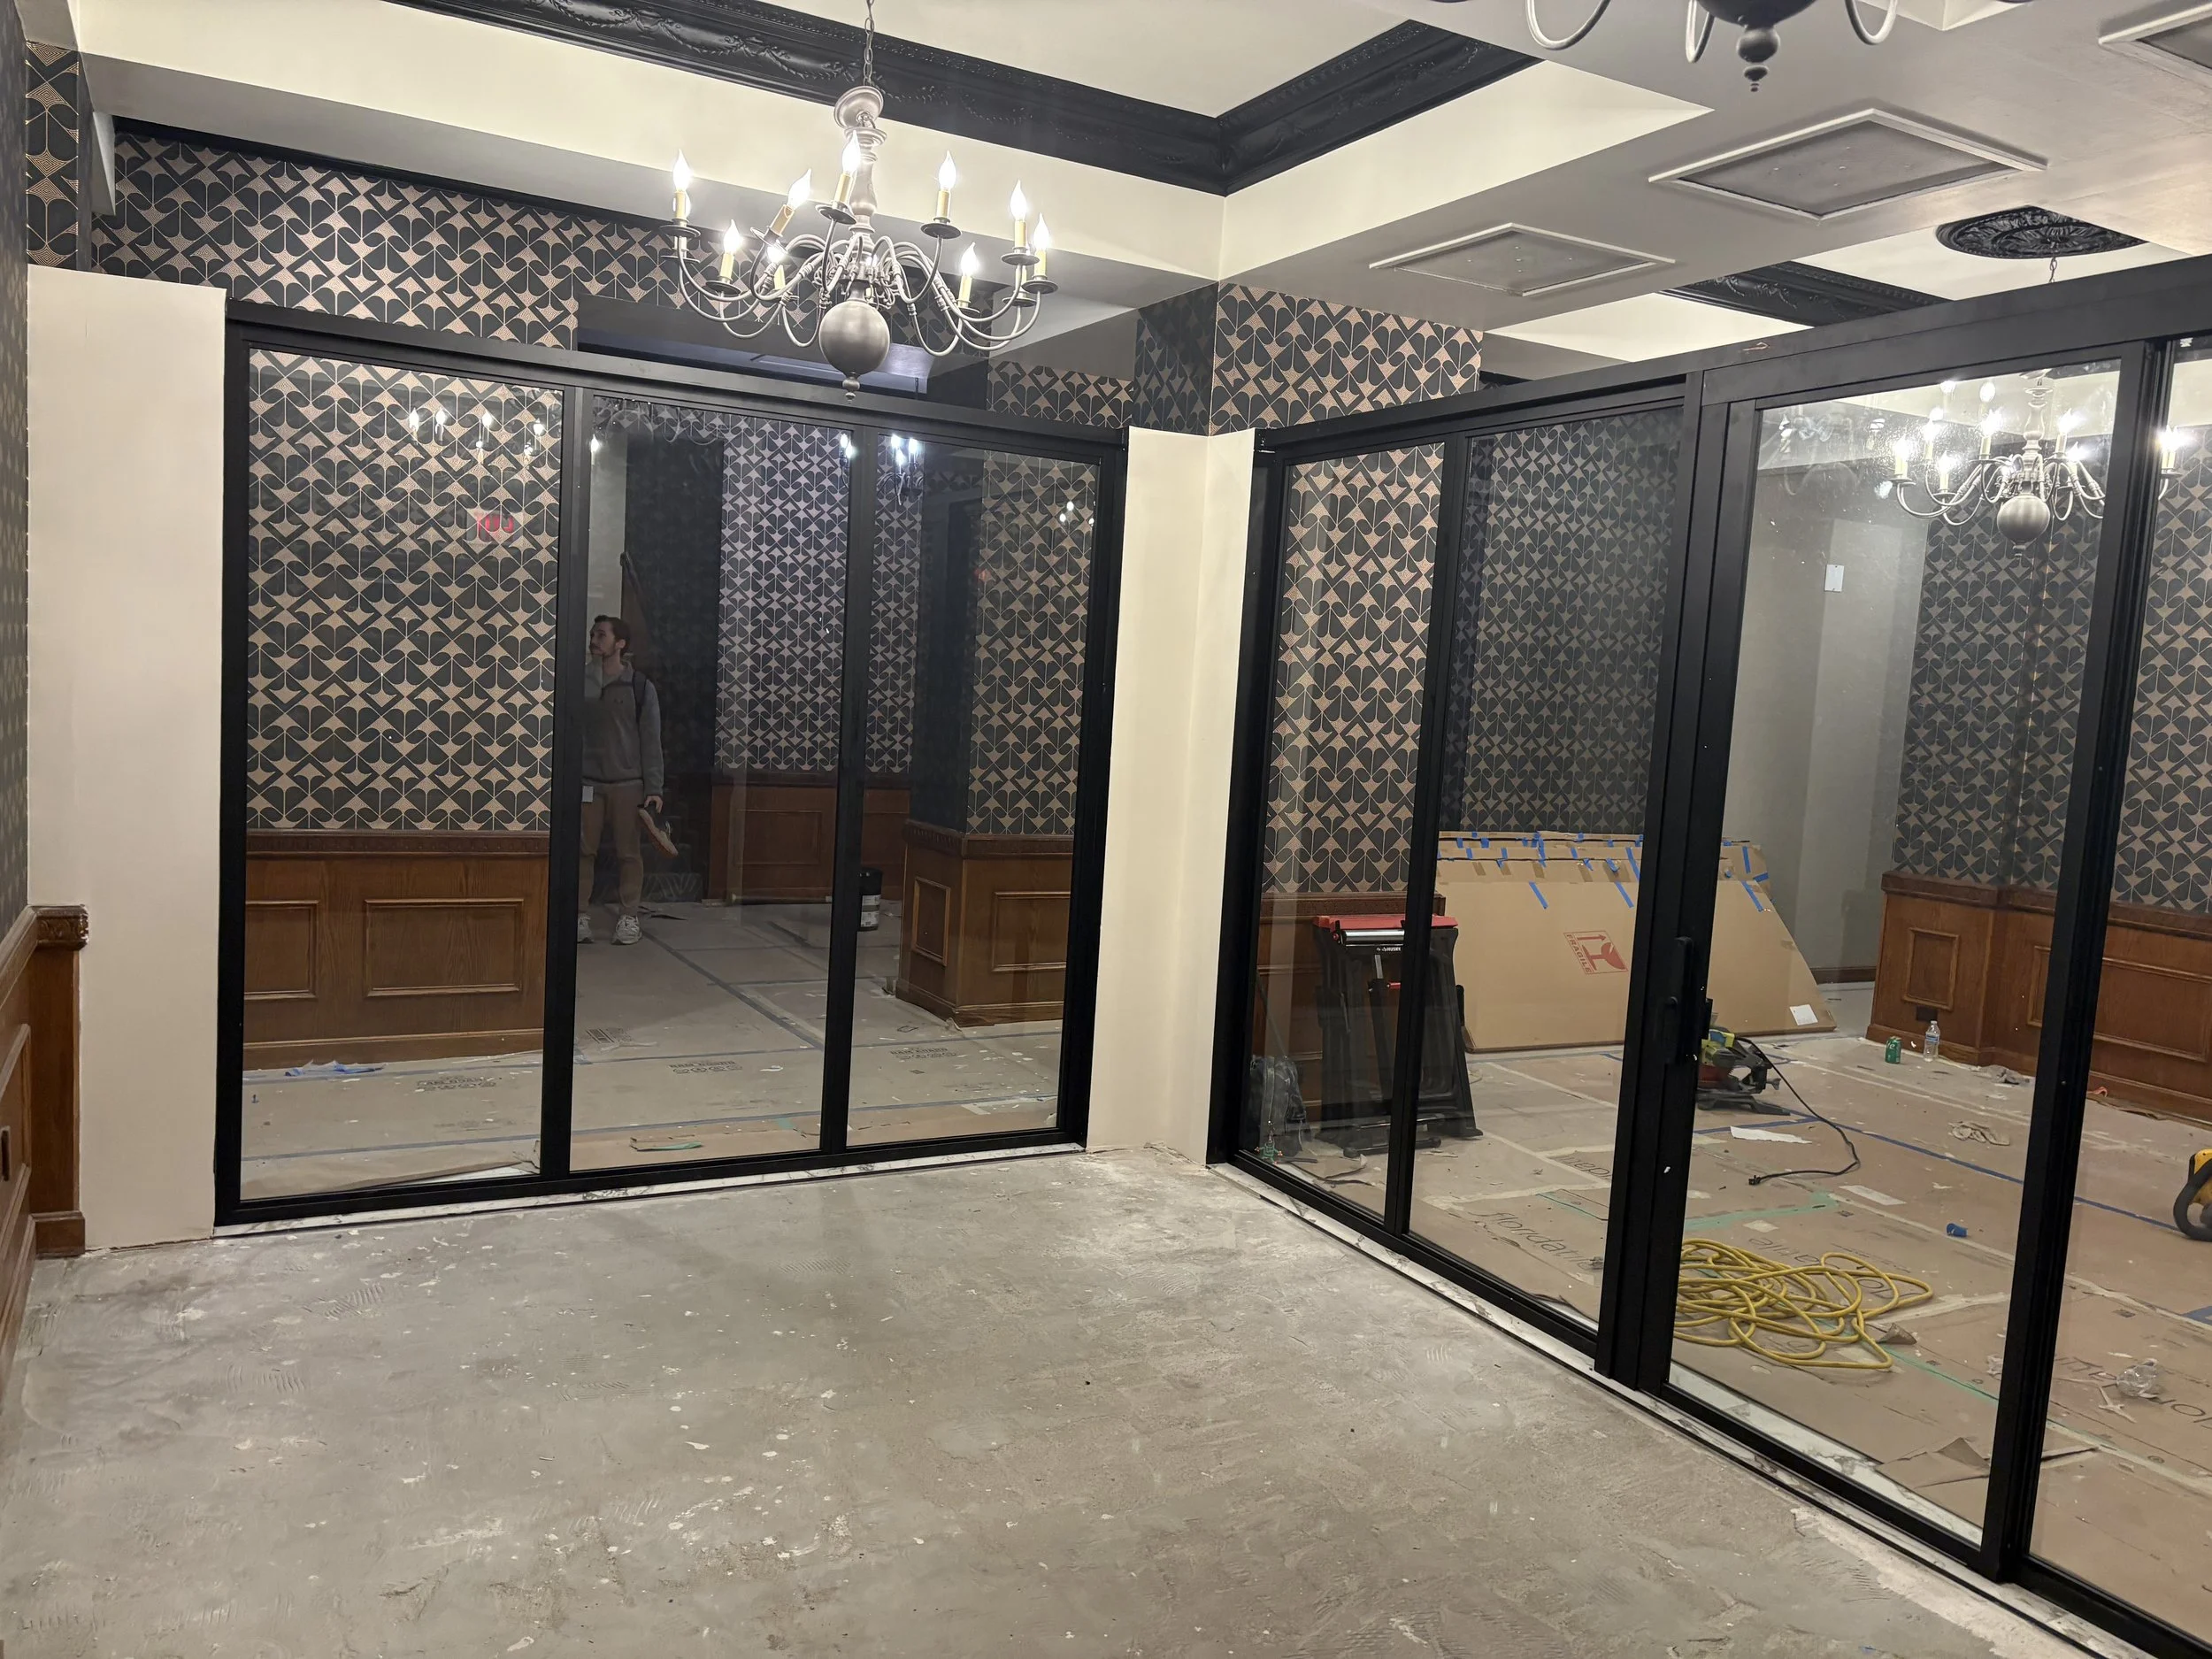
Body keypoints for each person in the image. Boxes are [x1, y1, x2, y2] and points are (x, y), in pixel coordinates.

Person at [579, 615, 664, 946]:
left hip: (628, 782)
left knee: (629, 853)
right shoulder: (582, 681)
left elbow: (650, 739)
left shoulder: (639, 687)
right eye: (592, 634)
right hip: (587, 781)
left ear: (620, 644)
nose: (594, 640)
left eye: (601, 635)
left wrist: (654, 788)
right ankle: (579, 915)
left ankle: (629, 917)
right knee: (583, 852)